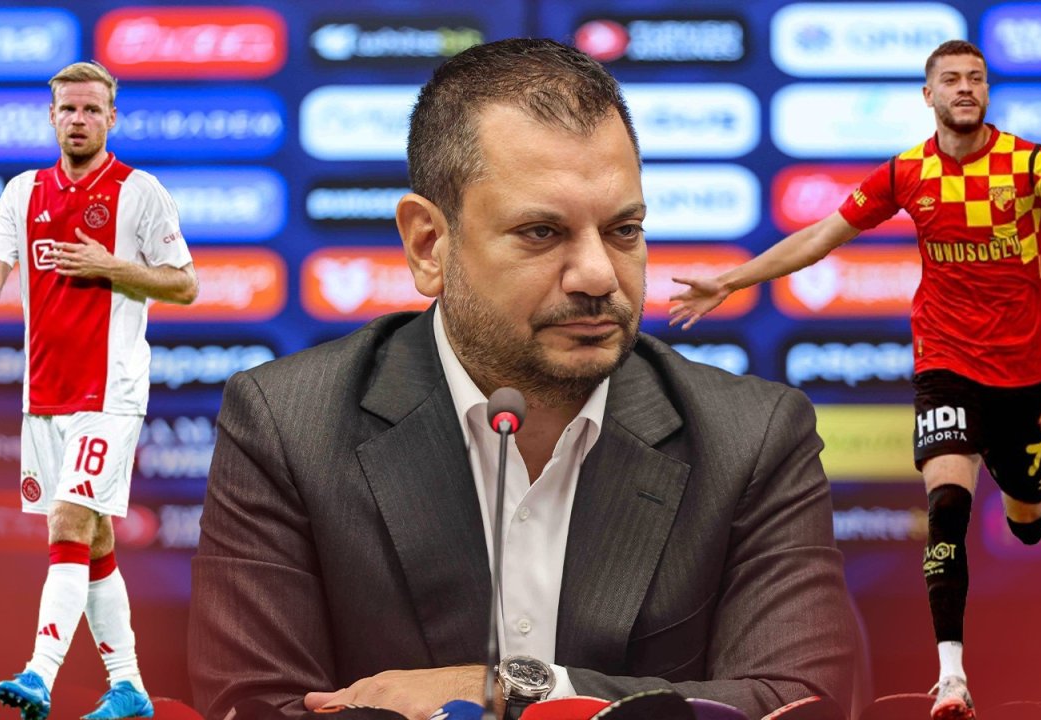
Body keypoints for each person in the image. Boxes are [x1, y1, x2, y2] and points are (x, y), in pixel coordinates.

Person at [189, 38, 857, 720]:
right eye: (542, 232)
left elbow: (800, 701)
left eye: (624, 230)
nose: (598, 275)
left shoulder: (752, 436)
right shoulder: (287, 424)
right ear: (428, 244)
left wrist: (522, 688)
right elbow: (256, 707)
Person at [669, 39, 1041, 720]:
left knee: (1026, 523)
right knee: (947, 509)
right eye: (952, 79)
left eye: (976, 78)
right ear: (928, 96)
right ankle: (952, 678)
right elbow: (820, 236)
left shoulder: (1032, 164)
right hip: (945, 363)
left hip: (1024, 372)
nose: (965, 88)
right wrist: (730, 280)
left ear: (986, 92)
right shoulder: (907, 173)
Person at [0, 61, 198, 720]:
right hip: (44, 395)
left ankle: (39, 672)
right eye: (68, 109)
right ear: (52, 116)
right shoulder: (24, 192)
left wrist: (111, 266)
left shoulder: (139, 192)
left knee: (69, 520)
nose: (79, 120)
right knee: (92, 541)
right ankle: (129, 687)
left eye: (92, 110)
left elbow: (185, 283)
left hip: (110, 393)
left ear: (111, 118)